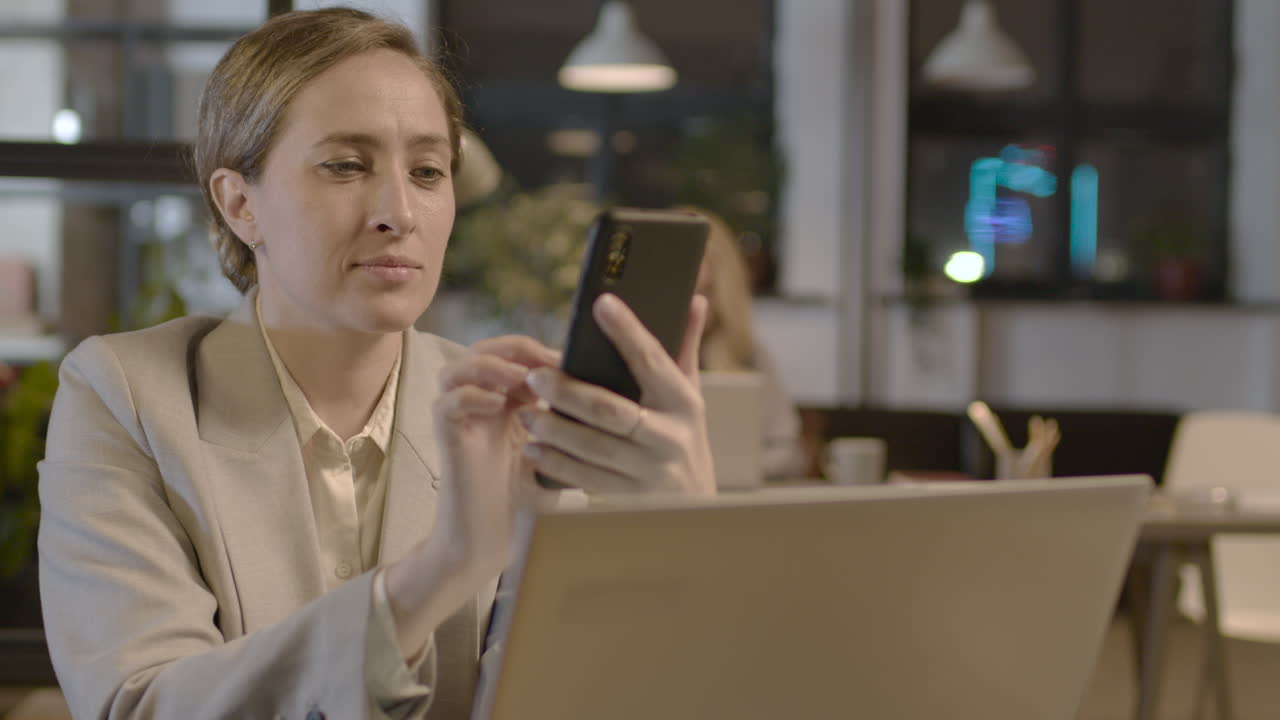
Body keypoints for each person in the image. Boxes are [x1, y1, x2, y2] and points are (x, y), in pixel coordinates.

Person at [37, 8, 714, 720]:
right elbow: (141, 706)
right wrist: (438, 571)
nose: (400, 212)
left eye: (427, 171)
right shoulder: (125, 398)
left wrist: (676, 538)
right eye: (346, 165)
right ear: (241, 205)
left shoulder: (507, 418)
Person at [684, 207, 808, 479]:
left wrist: (728, 474)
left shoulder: (749, 355)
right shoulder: (626, 358)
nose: (694, 308)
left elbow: (789, 453)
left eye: (705, 293)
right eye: (682, 293)